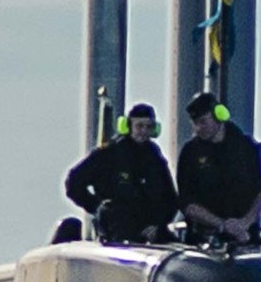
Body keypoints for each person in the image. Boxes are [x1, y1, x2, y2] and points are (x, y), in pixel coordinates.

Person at [64, 103, 179, 245]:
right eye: (139, 126)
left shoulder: (155, 157)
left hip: (151, 231)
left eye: (148, 127)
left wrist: (157, 226)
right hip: (118, 229)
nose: (144, 131)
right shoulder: (109, 153)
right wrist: (97, 207)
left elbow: (171, 198)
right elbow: (73, 182)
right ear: (128, 126)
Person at [176, 91, 261, 245]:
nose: (198, 128)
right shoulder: (190, 153)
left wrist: (244, 223)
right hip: (205, 239)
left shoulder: (246, 147)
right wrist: (221, 224)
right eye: (195, 123)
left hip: (247, 237)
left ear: (218, 116)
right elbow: (187, 203)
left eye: (203, 122)